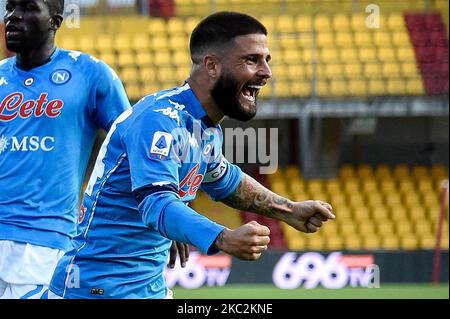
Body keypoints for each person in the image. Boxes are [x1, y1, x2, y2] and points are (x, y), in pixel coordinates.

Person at [48, 11, 335, 299]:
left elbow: (226, 181)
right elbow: (156, 204)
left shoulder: (205, 129)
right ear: (211, 65)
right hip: (95, 289)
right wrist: (222, 238)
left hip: (146, 288)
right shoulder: (158, 119)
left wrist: (289, 210)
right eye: (251, 60)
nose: (266, 72)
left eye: (266, 61)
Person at [0, 0, 187, 299]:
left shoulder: (90, 75)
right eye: (10, 7)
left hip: (44, 242)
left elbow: (134, 146)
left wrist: (168, 209)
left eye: (28, 8)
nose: (14, 16)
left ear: (55, 20)